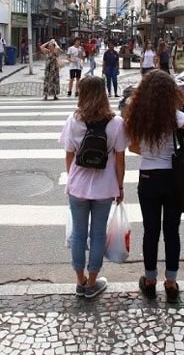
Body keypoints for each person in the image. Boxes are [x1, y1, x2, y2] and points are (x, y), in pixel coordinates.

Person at [124, 70, 184, 302]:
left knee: (151, 231)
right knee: (172, 231)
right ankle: (170, 282)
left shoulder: (136, 113)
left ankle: (149, 280)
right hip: (172, 178)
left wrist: (151, 154)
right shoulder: (173, 115)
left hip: (148, 177)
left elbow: (133, 148)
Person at [60, 76, 126, 299]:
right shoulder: (115, 123)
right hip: (104, 189)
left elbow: (69, 155)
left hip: (77, 188)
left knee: (78, 235)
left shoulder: (73, 120)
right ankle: (92, 282)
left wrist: (74, 179)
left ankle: (79, 282)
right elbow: (119, 159)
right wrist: (120, 186)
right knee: (98, 235)